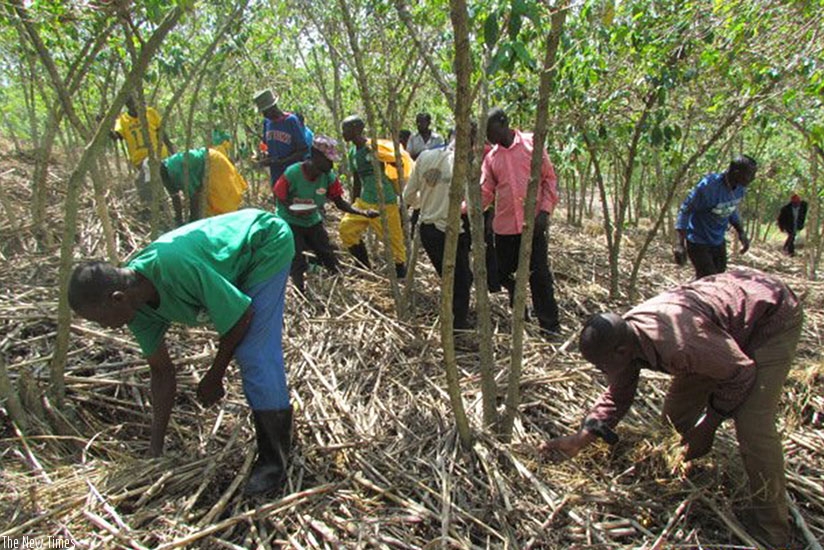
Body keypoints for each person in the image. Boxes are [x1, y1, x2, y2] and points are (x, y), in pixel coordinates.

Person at [540, 269, 803, 549]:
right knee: (673, 420)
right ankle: (681, 473)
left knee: (752, 427)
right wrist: (583, 438)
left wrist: (709, 425)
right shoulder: (625, 342)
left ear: (620, 352)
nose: (601, 371)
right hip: (716, 329)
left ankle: (772, 529)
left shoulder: (678, 345)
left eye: (601, 365)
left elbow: (741, 373)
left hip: (770, 316)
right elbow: (618, 394)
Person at [67, 209, 295, 496]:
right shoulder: (135, 310)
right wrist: (155, 451)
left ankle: (275, 463)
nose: (105, 326)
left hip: (264, 241)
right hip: (232, 259)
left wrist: (215, 375)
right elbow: (161, 371)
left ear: (117, 299)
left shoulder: (173, 266)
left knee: (253, 351)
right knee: (247, 341)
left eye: (100, 319)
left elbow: (241, 315)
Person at [481, 107, 561, 338]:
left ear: (504, 123)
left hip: (532, 226)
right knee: (504, 273)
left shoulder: (531, 144)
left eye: (490, 130)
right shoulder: (491, 158)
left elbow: (549, 179)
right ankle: (519, 310)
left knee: (539, 275)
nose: (488, 136)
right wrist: (464, 208)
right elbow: (486, 191)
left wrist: (544, 213)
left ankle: (550, 326)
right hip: (505, 228)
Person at [274, 135, 378, 294]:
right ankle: (300, 290)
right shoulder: (293, 173)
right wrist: (293, 208)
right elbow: (279, 196)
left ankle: (340, 286)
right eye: (328, 160)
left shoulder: (328, 177)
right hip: (290, 222)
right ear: (315, 156)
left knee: (327, 253)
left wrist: (363, 213)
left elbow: (339, 202)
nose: (331, 164)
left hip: (312, 220)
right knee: (296, 258)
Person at [403, 129, 474, 330]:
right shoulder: (462, 165)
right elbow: (470, 203)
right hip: (451, 231)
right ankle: (457, 328)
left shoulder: (424, 157)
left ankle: (451, 319)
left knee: (452, 279)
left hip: (428, 230)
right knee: (461, 282)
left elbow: (408, 196)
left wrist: (426, 205)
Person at [338, 115, 412, 278]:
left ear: (357, 129)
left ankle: (400, 273)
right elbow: (357, 179)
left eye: (346, 129)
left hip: (385, 201)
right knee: (346, 229)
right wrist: (353, 205)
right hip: (364, 201)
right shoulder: (352, 152)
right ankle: (362, 264)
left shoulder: (373, 147)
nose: (343, 133)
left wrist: (391, 162)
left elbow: (398, 161)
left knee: (394, 242)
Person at [674, 155, 757, 278]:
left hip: (718, 240)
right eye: (750, 174)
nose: (753, 178)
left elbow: (730, 208)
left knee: (719, 277)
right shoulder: (708, 187)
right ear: (736, 172)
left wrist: (741, 232)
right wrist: (679, 243)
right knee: (708, 279)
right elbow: (686, 210)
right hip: (698, 240)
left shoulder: (740, 188)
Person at [160, 146, 248, 226]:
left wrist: (191, 222)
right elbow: (175, 196)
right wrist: (178, 220)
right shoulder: (165, 173)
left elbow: (194, 196)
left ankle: (236, 224)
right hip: (204, 168)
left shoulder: (176, 171)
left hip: (212, 161)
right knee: (209, 207)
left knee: (221, 201)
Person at [111, 95, 175, 204]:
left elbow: (162, 133)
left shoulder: (150, 113)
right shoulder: (123, 120)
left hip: (158, 156)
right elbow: (116, 136)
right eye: (132, 105)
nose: (136, 107)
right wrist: (105, 125)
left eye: (138, 104)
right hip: (139, 161)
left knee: (158, 183)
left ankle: (167, 211)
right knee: (148, 188)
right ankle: (156, 209)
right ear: (128, 106)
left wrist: (172, 151)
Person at [253, 89, 308, 186]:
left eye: (265, 112)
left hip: (293, 175)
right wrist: (264, 156)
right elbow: (266, 145)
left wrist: (282, 161)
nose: (264, 115)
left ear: (273, 107)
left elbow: (303, 150)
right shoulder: (267, 122)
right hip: (276, 177)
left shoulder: (291, 121)